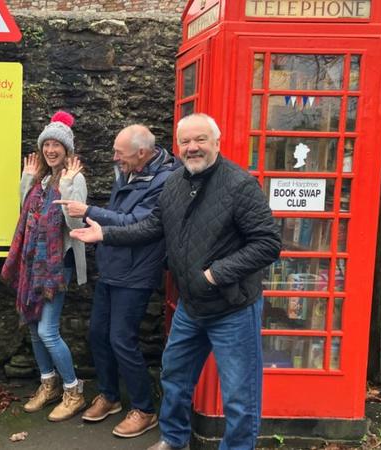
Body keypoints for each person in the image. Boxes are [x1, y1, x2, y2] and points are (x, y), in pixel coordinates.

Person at [70, 113, 281, 450]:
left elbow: (268, 244)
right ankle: (174, 439)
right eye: (186, 141)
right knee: (174, 377)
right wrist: (104, 232)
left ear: (217, 142)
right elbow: (152, 227)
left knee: (240, 396)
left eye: (200, 140)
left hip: (232, 307)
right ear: (178, 146)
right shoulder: (175, 183)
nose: (192, 147)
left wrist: (215, 274)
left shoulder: (240, 185)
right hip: (191, 306)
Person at [55, 124, 178, 437]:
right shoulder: (130, 168)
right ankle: (109, 396)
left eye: (119, 154)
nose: (114, 158)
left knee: (122, 339)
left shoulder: (165, 180)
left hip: (136, 271)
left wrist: (90, 211)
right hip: (113, 263)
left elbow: (140, 223)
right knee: (97, 334)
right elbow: (119, 213)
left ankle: (144, 409)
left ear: (141, 152)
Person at [0, 110, 88, 422]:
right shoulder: (41, 179)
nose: (51, 150)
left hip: (56, 266)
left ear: (67, 150)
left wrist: (67, 187)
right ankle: (48, 383)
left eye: (57, 145)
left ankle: (73, 390)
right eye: (47, 144)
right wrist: (26, 178)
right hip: (34, 263)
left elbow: (75, 222)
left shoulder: (73, 177)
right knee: (35, 329)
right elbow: (25, 213)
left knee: (48, 331)